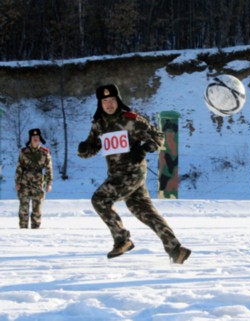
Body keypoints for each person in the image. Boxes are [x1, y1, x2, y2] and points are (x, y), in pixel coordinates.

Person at [77, 84, 191, 264]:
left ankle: (122, 240)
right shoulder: (99, 124)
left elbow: (158, 136)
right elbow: (90, 150)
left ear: (118, 100)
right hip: (117, 174)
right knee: (145, 213)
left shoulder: (131, 120)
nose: (109, 104)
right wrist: (83, 149)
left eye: (112, 100)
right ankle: (176, 249)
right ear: (100, 104)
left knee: (99, 199)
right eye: (105, 101)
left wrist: (149, 146)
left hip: (133, 172)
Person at [15, 128, 53, 229]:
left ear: (40, 138)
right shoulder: (24, 152)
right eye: (33, 137)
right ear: (30, 138)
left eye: (37, 137)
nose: (35, 139)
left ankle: (35, 230)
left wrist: (49, 183)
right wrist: (17, 182)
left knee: (37, 209)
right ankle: (23, 229)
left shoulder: (45, 152)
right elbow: (19, 168)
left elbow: (49, 169)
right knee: (23, 208)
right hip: (24, 183)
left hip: (38, 183)